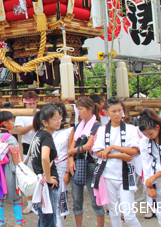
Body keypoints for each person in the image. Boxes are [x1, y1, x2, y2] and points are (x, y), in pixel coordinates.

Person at [91, 98, 141, 227]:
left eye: (120, 110)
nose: (117, 114)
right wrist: (120, 156)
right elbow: (99, 153)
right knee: (114, 212)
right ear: (106, 112)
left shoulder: (131, 129)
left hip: (126, 175)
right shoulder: (102, 130)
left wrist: (112, 148)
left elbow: (134, 151)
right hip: (108, 175)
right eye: (114, 111)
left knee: (128, 215)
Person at [66, 97, 104, 227]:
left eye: (81, 109)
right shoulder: (78, 126)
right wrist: (70, 160)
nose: (79, 112)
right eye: (78, 109)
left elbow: (88, 146)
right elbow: (71, 146)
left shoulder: (97, 125)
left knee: (95, 199)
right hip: (77, 163)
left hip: (90, 163)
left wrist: (71, 153)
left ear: (90, 109)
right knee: (76, 199)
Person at [29, 104, 61, 227]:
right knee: (49, 218)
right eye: (55, 119)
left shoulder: (39, 134)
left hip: (39, 180)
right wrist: (48, 177)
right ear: (45, 122)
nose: (58, 121)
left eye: (59, 118)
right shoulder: (47, 136)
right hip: (47, 183)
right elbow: (44, 157)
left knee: (44, 218)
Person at [0, 111, 23, 227]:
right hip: (9, 168)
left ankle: (0, 222)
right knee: (17, 195)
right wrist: (19, 168)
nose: (13, 122)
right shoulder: (10, 138)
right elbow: (14, 155)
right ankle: (19, 222)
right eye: (12, 120)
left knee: (0, 195)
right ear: (5, 123)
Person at [51, 100, 74, 227]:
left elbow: (70, 152)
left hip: (62, 167)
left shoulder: (69, 130)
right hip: (48, 168)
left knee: (58, 201)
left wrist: (67, 173)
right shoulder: (46, 130)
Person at [15, 91, 38, 214]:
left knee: (41, 174)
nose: (32, 106)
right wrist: (32, 126)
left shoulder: (40, 113)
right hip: (27, 146)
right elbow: (20, 131)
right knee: (29, 175)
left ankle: (40, 203)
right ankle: (30, 203)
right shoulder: (20, 115)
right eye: (30, 104)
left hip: (39, 144)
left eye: (34, 103)